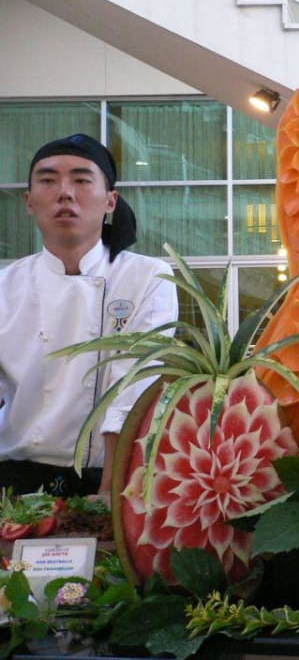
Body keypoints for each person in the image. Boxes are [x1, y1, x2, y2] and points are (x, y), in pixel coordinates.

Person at [0, 134, 178, 498]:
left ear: (111, 200)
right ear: (29, 201)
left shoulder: (147, 277)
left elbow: (132, 385)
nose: (65, 193)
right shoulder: (6, 285)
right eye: (48, 180)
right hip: (14, 478)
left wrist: (109, 494)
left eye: (81, 180)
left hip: (107, 478)